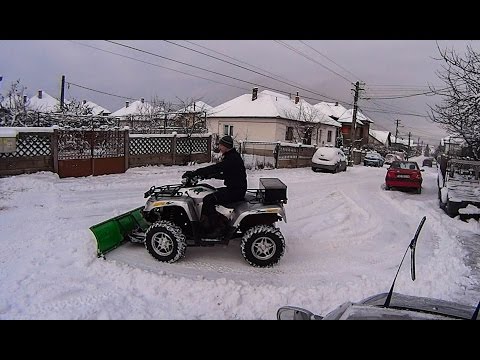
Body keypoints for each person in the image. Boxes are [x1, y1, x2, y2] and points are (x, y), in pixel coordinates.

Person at [182, 135, 247, 238]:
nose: (219, 147)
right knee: (210, 192)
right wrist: (206, 176)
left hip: (235, 191)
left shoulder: (232, 159)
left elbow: (216, 168)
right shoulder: (232, 156)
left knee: (208, 199)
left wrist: (196, 173)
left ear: (226, 146)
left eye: (221, 145)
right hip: (236, 188)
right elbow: (225, 174)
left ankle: (215, 229)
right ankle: (215, 221)